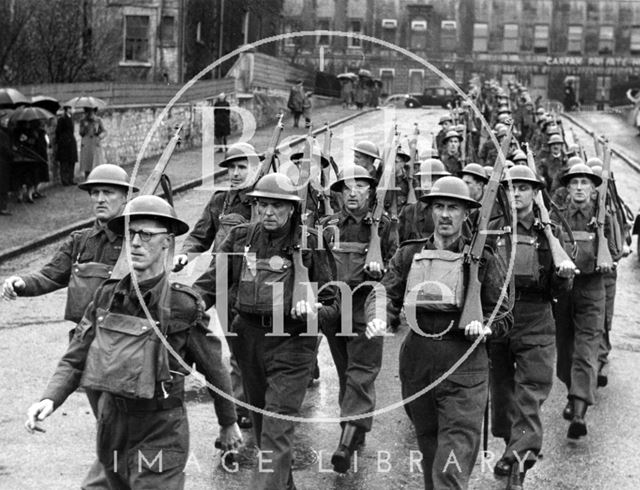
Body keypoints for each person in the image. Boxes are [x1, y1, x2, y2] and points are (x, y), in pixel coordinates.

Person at [25, 195, 242, 489]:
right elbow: (77, 355)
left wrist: (228, 421)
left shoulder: (183, 305)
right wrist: (50, 398)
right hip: (111, 423)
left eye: (146, 235)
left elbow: (214, 368)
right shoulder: (106, 296)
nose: (136, 242)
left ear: (167, 241)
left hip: (161, 428)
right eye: (131, 234)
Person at [192, 173, 339, 490]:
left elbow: (333, 299)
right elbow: (211, 282)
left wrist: (315, 309)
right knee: (262, 428)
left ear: (292, 209)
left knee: (276, 426)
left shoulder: (312, 242)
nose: (268, 212)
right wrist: (182, 306)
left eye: (277, 205)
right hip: (248, 340)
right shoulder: (240, 238)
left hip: (294, 343)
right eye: (262, 204)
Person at [365, 176, 510, 490]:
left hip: (464, 366)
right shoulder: (408, 254)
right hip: (418, 363)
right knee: (430, 449)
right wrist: (378, 316)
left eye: (453, 208)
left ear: (466, 213)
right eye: (439, 207)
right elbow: (384, 292)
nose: (445, 215)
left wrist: (485, 326)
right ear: (430, 212)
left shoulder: (483, 258)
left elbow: (504, 311)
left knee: (451, 464)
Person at [490, 166, 574, 489]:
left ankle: (519, 465)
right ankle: (510, 448)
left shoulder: (548, 232)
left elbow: (560, 288)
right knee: (501, 394)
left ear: (534, 193)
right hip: (500, 318)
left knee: (530, 394)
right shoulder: (493, 228)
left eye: (525, 188)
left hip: (537, 317)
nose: (518, 194)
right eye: (513, 188)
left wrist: (562, 275)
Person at [320, 165, 398, 473]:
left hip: (367, 305)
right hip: (334, 310)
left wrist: (381, 266)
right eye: (347, 187)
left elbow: (396, 266)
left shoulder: (385, 226)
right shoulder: (329, 226)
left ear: (372, 192)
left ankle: (347, 440)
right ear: (339, 193)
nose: (353, 193)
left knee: (361, 372)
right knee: (345, 373)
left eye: (361, 187)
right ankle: (355, 428)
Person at [173, 142, 255, 430]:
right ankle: (240, 407)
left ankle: (250, 403)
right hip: (220, 281)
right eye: (231, 168)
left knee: (251, 347)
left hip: (254, 284)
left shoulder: (264, 202)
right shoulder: (220, 202)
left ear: (255, 168)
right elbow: (200, 235)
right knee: (234, 343)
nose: (235, 173)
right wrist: (187, 253)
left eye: (242, 167)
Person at [554, 163, 615, 440]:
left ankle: (579, 411)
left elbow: (615, 250)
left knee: (587, 349)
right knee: (565, 349)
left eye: (585, 183)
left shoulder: (603, 217)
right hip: (564, 291)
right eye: (575, 182)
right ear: (568, 188)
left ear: (593, 190)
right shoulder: (558, 218)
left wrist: (606, 259)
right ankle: (573, 392)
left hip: (592, 291)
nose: (579, 187)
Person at [398, 158, 450, 242]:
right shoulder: (409, 211)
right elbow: (397, 243)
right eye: (423, 180)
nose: (426, 184)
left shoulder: (451, 212)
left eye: (431, 180)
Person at [79, 107, 106, 179]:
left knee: (96, 161)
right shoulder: (83, 121)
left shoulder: (98, 120)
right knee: (87, 162)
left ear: (94, 112)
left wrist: (99, 137)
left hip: (95, 142)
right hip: (86, 143)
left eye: (92, 112)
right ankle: (87, 177)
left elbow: (104, 131)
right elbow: (81, 133)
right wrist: (84, 127)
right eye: (88, 112)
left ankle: (98, 177)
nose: (90, 114)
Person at [56, 104, 78, 186]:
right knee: (64, 163)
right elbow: (58, 131)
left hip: (71, 142)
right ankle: (65, 180)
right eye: (70, 108)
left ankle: (70, 179)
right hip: (64, 143)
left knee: (71, 162)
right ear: (67, 109)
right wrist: (62, 141)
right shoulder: (62, 119)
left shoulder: (70, 118)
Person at [0, 123, 12, 215]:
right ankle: (3, 208)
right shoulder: (3, 135)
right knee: (3, 186)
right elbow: (6, 150)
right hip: (2, 163)